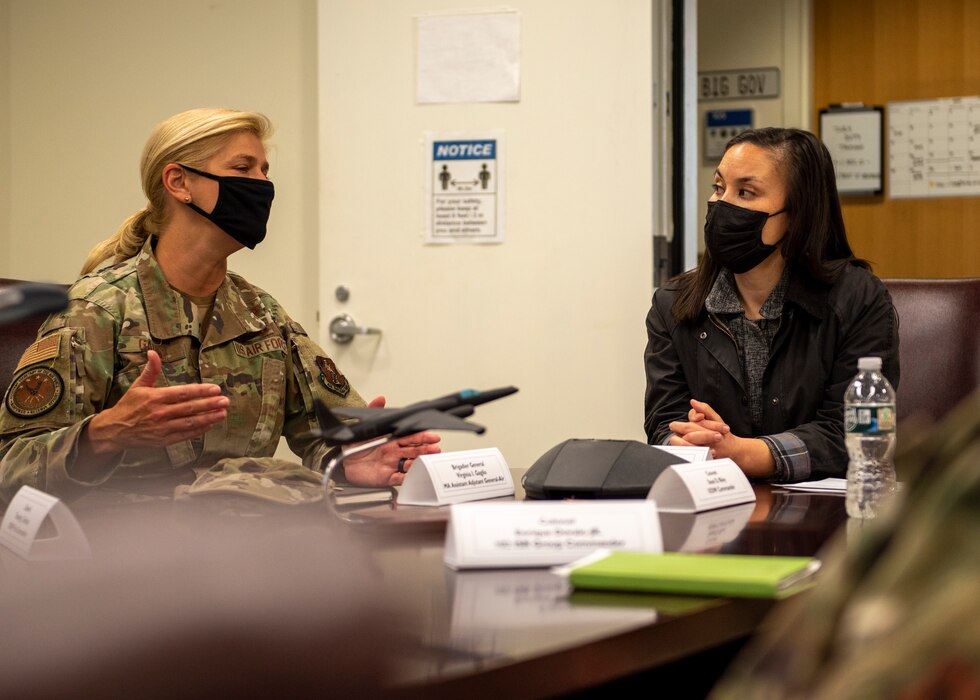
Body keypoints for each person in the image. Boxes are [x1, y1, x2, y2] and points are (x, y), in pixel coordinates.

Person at [0, 107, 440, 503]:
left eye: (265, 170)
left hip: (242, 546)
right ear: (179, 182)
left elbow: (327, 432)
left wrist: (350, 460)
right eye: (243, 168)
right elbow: (10, 468)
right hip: (123, 559)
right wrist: (103, 435)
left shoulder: (261, 314)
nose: (263, 185)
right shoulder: (97, 310)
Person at [644, 127, 898, 482]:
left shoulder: (858, 300)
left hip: (828, 518)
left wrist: (744, 453)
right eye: (719, 188)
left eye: (745, 192)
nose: (722, 205)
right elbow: (663, 420)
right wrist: (691, 442)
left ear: (796, 213)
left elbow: (853, 434)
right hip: (716, 504)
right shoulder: (673, 304)